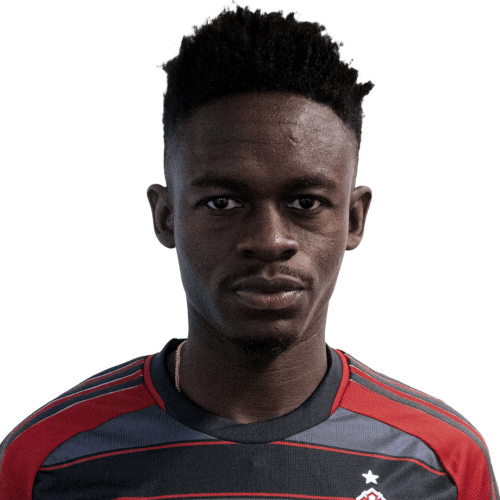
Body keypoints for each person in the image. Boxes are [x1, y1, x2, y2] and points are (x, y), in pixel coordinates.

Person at [1, 2, 497, 499]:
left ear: (353, 219)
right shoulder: (44, 459)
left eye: (306, 202)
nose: (269, 241)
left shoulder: (442, 461)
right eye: (223, 202)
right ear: (165, 216)